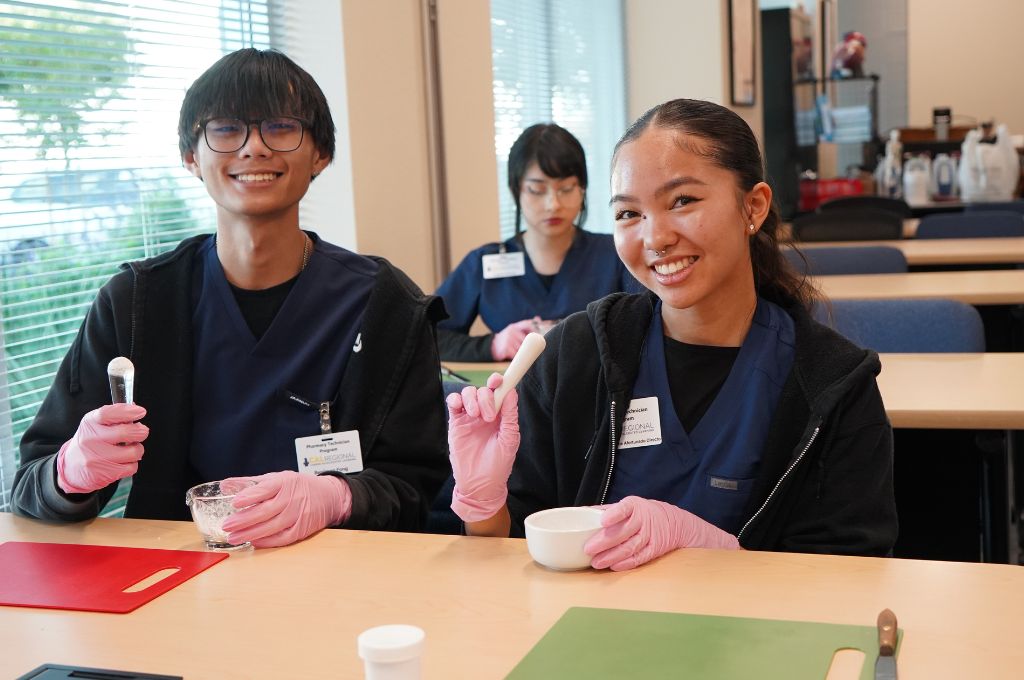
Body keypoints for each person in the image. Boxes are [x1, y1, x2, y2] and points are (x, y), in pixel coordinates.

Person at [12, 48, 449, 547]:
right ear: (191, 157)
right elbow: (30, 484)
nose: (253, 149)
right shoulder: (137, 303)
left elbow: (416, 488)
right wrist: (70, 471)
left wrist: (338, 497)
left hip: (339, 575)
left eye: (281, 127)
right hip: (176, 578)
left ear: (321, 154)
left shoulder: (384, 304)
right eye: (225, 130)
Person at [446, 99, 897, 569]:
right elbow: (514, 557)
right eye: (628, 214)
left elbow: (852, 575)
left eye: (682, 201)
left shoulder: (831, 383)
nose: (655, 237)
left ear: (754, 206)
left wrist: (721, 552)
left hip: (756, 638)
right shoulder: (574, 357)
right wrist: (484, 505)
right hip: (588, 632)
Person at [435, 123, 636, 361]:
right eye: (536, 190)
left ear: (582, 190)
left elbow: (649, 326)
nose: (553, 204)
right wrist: (493, 345)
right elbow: (430, 336)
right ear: (516, 191)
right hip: (514, 395)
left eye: (566, 188)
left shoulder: (615, 253)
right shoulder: (484, 262)